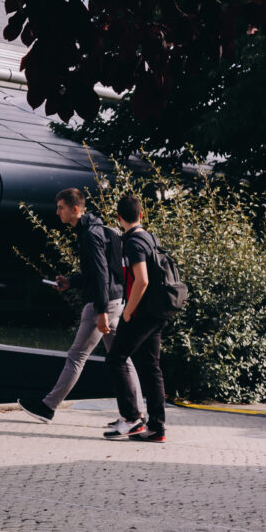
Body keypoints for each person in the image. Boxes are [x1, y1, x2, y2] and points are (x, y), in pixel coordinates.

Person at [22, 188, 143, 423]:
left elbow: (100, 275)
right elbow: (103, 270)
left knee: (77, 355)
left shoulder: (89, 235)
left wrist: (100, 312)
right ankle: (136, 414)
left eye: (61, 208)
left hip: (103, 303)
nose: (57, 212)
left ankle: (48, 406)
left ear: (75, 209)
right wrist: (71, 281)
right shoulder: (106, 230)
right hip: (117, 300)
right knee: (121, 357)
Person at [104, 194, 169, 443]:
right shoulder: (150, 237)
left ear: (119, 218)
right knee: (152, 368)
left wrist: (128, 311)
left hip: (141, 313)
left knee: (116, 360)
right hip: (157, 312)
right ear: (141, 215)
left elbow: (142, 280)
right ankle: (157, 428)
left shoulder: (133, 243)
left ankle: (132, 419)